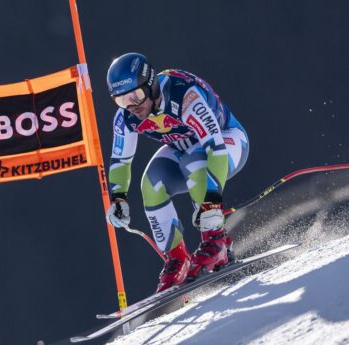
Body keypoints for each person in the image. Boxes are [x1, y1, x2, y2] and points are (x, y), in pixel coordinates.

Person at [105, 53, 249, 292]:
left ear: (150, 85)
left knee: (194, 161)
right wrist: (119, 198)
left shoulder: (184, 95)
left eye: (135, 96)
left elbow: (215, 146)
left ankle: (217, 242)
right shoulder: (126, 118)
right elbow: (121, 160)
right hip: (183, 148)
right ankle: (178, 259)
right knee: (152, 183)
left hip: (228, 142)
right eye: (121, 101)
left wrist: (212, 206)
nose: (132, 105)